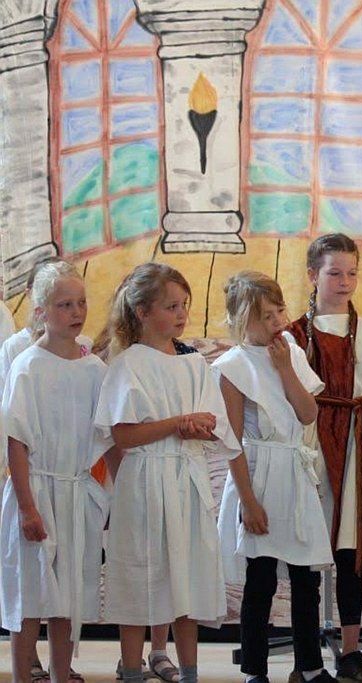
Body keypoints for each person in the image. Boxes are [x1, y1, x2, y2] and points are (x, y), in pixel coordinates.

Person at [95, 263, 240, 683]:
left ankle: (190, 671)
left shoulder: (194, 364)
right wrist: (177, 424)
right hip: (144, 482)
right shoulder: (128, 365)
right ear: (142, 312)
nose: (181, 314)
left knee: (187, 580)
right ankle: (131, 670)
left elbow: (216, 425)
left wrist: (201, 427)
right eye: (171, 306)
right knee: (140, 578)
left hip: (186, 481)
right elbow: (123, 434)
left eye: (184, 305)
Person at [285, 234, 362, 683]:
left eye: (352, 273)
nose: (345, 281)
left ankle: (351, 653)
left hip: (354, 449)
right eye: (335, 272)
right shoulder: (292, 337)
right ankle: (306, 661)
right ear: (313, 276)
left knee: (350, 556)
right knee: (306, 559)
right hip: (310, 450)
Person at [214, 272, 334, 683]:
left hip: (293, 474)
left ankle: (309, 666)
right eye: (266, 316)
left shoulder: (291, 352)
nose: (277, 322)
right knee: (260, 580)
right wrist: (248, 502)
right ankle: (255, 671)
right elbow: (232, 441)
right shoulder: (231, 367)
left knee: (305, 578)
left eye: (279, 311)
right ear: (242, 320)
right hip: (258, 476)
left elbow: (308, 413)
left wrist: (285, 370)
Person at [0, 262, 115, 683]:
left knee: (69, 597)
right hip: (36, 490)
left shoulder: (95, 370)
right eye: (64, 305)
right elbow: (16, 442)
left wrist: (110, 498)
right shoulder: (28, 366)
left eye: (81, 302)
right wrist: (27, 507)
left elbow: (108, 439)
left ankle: (61, 675)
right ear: (41, 311)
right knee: (31, 597)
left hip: (75, 493)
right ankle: (22, 676)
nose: (76, 311)